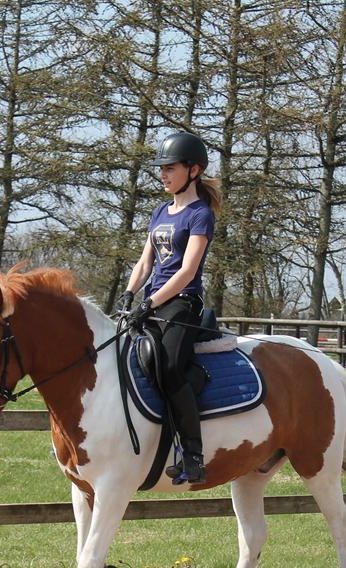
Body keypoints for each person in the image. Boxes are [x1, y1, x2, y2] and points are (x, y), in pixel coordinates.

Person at [120, 131, 222, 485]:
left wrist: (151, 301)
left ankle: (193, 455)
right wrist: (129, 294)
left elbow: (187, 271)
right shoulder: (160, 211)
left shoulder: (200, 215)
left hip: (182, 303)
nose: (162, 174)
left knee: (170, 367)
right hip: (152, 302)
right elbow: (145, 262)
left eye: (170, 168)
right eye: (161, 169)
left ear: (193, 170)